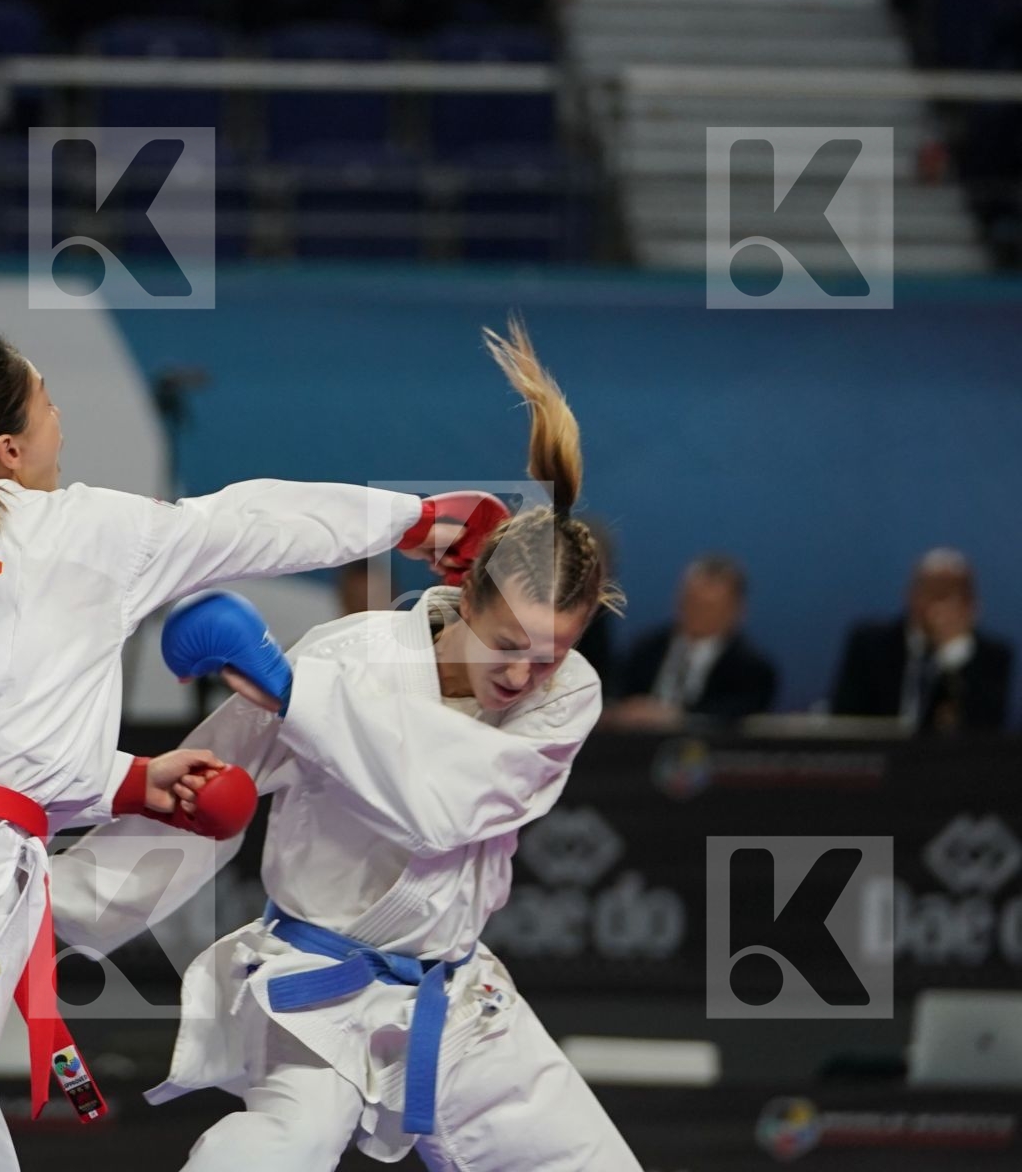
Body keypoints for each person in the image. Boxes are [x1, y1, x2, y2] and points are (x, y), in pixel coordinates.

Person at [0, 333, 498, 1172]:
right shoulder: (73, 529)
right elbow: (251, 520)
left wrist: (126, 780)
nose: (60, 421)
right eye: (47, 403)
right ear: (9, 449)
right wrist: (419, 519)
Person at [53, 320, 643, 1171]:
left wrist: (298, 700)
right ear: (466, 598)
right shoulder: (347, 657)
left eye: (550, 654)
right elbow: (201, 799)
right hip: (316, 992)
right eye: (508, 642)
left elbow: (445, 804)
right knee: (284, 1142)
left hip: (456, 995)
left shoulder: (567, 697)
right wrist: (53, 916)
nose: (525, 673)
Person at [831, 548, 1014, 733]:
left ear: (971, 606)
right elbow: (843, 721)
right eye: (932, 591)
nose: (939, 606)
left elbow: (983, 735)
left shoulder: (992, 656)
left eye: (951, 594)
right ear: (910, 595)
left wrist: (951, 652)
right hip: (877, 757)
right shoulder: (870, 645)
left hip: (947, 761)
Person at [607, 554, 777, 727]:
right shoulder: (645, 649)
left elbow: (734, 716)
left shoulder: (752, 669)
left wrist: (677, 717)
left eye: (710, 607)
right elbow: (614, 695)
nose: (698, 614)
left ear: (737, 610)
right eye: (692, 603)